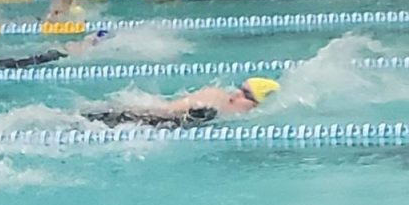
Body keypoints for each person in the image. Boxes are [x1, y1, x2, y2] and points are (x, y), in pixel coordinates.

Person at [84, 77, 280, 128]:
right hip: (132, 119)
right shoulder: (217, 99)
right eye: (240, 88)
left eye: (245, 94)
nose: (235, 95)